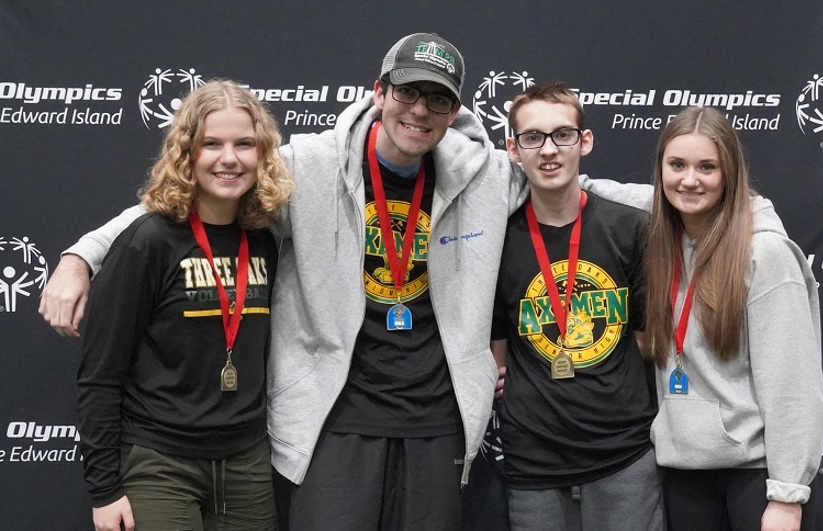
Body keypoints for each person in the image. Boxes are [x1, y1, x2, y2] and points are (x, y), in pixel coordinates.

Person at [39, 33, 526, 530]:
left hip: (437, 420)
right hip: (335, 418)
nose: (420, 111)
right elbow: (178, 204)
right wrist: (82, 255)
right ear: (378, 92)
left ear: (454, 110)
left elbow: (567, 185)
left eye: (437, 98)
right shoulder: (309, 165)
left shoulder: (486, 176)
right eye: (407, 93)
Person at [76, 80, 293, 531]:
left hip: (247, 464)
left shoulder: (265, 241)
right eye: (211, 143)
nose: (229, 158)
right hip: (160, 463)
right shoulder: (147, 243)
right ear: (185, 153)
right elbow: (100, 375)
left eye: (244, 144)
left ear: (263, 154)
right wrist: (104, 490)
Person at [638, 106, 823, 531]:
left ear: (730, 174)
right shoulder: (664, 243)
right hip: (684, 475)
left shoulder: (765, 254)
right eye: (677, 165)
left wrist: (786, 494)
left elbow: (792, 385)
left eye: (707, 167)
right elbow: (602, 193)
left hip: (755, 480)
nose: (689, 179)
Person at [490, 82, 663, 531]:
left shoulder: (631, 229)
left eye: (562, 134)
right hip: (534, 462)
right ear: (513, 148)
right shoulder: (496, 241)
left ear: (584, 141)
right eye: (532, 137)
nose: (549, 150)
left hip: (624, 453)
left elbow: (646, 341)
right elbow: (497, 350)